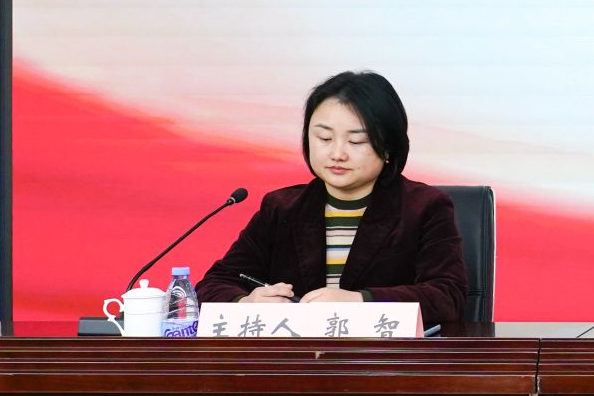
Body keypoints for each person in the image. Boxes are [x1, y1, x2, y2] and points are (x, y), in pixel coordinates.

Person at [198, 71, 468, 326]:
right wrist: (245, 302)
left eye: (356, 142)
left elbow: (447, 296)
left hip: (382, 355)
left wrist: (360, 301)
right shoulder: (282, 208)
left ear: (388, 147)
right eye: (324, 138)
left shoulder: (425, 207)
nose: (337, 154)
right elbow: (214, 284)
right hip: (299, 356)